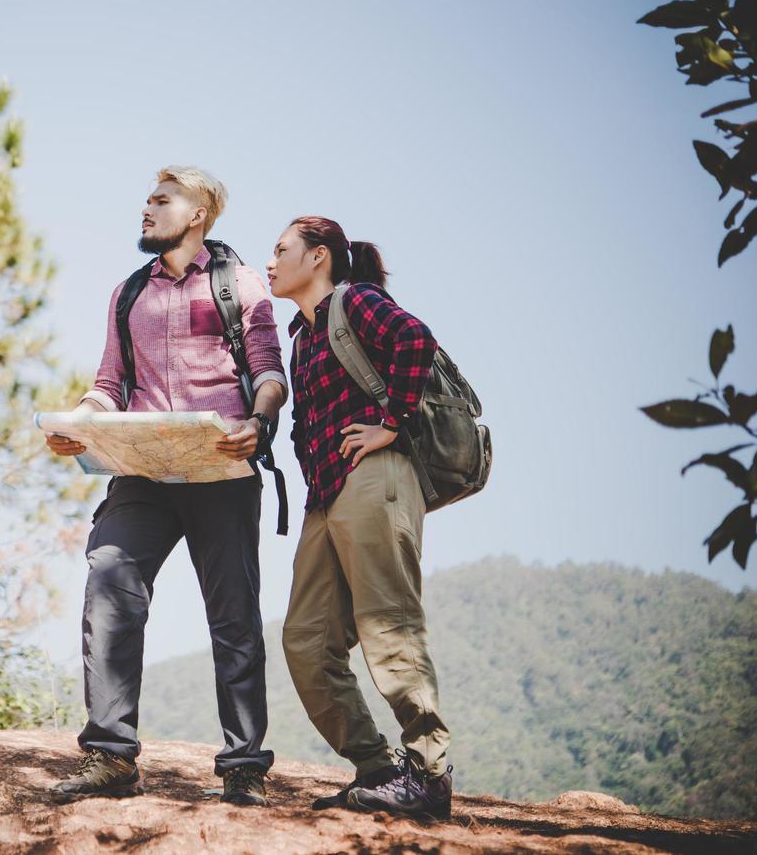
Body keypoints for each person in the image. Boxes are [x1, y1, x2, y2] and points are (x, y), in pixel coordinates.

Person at [45, 166, 287, 807]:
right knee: (108, 585)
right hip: (143, 473)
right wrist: (78, 424)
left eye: (161, 200)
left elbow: (269, 372)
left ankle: (242, 767)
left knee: (233, 615)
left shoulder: (240, 285)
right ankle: (110, 758)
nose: (146, 209)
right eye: (146, 200)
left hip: (221, 469)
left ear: (199, 212)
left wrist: (259, 425)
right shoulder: (128, 294)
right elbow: (108, 384)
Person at [265, 215, 453, 821]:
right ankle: (375, 769)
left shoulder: (356, 302)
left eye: (282, 251)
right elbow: (301, 424)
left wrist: (392, 422)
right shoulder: (300, 337)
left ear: (319, 257)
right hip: (327, 495)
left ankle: (428, 773)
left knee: (387, 622)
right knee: (306, 640)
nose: (271, 264)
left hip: (377, 478)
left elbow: (415, 340)